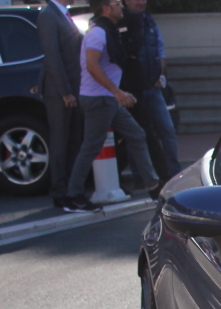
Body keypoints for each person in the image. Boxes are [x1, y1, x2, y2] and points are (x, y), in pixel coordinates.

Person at [63, 0, 160, 212]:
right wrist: (117, 91)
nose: (121, 7)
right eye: (117, 4)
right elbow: (91, 65)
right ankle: (73, 195)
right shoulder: (98, 33)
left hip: (107, 97)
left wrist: (116, 92)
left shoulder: (110, 31)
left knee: (137, 135)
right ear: (106, 8)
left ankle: (154, 186)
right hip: (99, 99)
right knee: (91, 146)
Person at [120, 0, 180, 178]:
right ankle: (141, 175)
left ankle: (173, 172)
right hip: (133, 88)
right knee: (137, 133)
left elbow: (159, 51)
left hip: (153, 87)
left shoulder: (149, 21)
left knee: (167, 130)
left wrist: (159, 75)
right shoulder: (122, 21)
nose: (141, 2)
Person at [37, 0, 85, 209]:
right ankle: (59, 191)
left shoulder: (63, 14)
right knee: (60, 141)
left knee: (74, 140)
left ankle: (72, 189)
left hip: (75, 87)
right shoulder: (48, 15)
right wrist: (65, 91)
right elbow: (52, 57)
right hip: (59, 92)